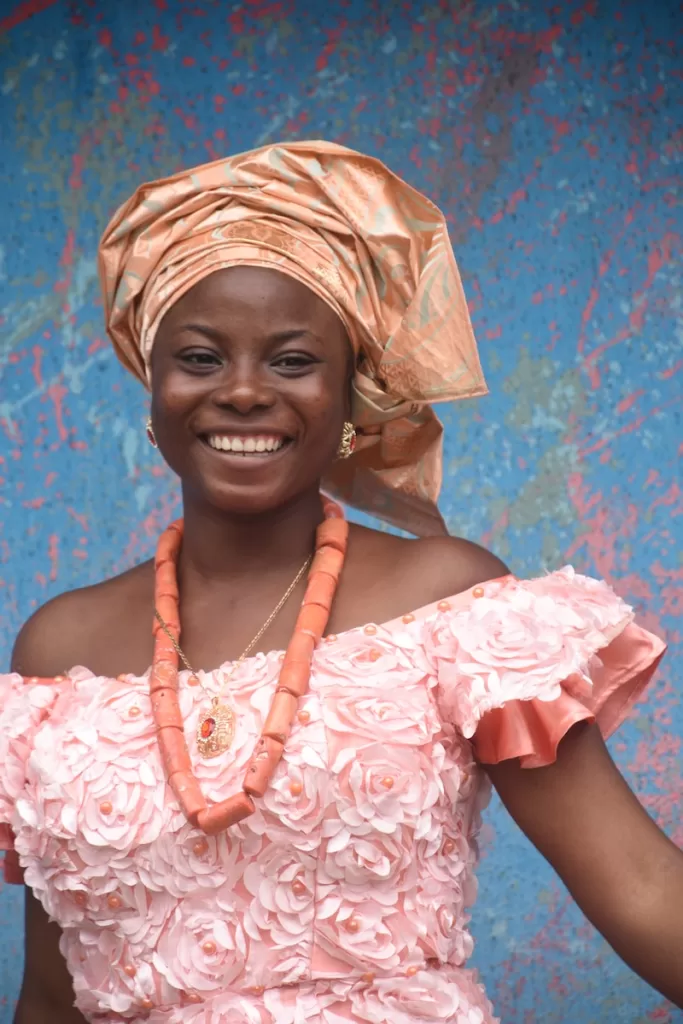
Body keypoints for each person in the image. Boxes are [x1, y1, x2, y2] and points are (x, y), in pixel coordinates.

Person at [2, 140, 681, 1024]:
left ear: (352, 396)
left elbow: (639, 884)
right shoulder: (59, 654)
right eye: (201, 358)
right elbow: (55, 994)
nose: (243, 392)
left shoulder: (449, 602)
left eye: (291, 361)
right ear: (152, 386)